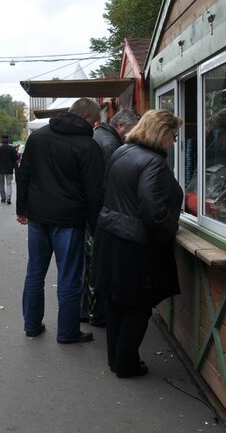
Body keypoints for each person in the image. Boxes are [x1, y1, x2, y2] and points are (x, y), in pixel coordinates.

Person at [92, 109, 183, 378]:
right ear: (162, 134)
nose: (175, 141)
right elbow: (152, 209)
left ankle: (117, 360)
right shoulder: (153, 162)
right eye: (173, 135)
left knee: (117, 303)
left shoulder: (123, 151)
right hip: (134, 245)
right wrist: (170, 228)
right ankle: (126, 364)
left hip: (112, 236)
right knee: (137, 306)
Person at [16, 97, 105, 343]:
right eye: (96, 121)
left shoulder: (39, 136)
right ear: (88, 118)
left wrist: (22, 208)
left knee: (35, 272)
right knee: (69, 277)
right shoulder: (88, 146)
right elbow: (94, 192)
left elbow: (24, 173)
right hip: (69, 220)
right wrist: (96, 227)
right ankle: (67, 332)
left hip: (38, 216)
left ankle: (31, 324)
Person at [84, 109, 141, 326]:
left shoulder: (100, 136)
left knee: (93, 265)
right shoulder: (110, 145)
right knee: (100, 268)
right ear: (120, 126)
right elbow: (107, 186)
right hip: (103, 215)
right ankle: (100, 312)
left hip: (96, 214)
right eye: (133, 128)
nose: (134, 133)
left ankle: (92, 309)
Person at [0, 134, 17, 204]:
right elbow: (15, 158)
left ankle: (3, 198)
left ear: (2, 139)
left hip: (1, 168)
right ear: (8, 139)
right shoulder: (12, 148)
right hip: (9, 169)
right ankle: (9, 198)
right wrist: (13, 165)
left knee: (1, 183)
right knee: (9, 183)